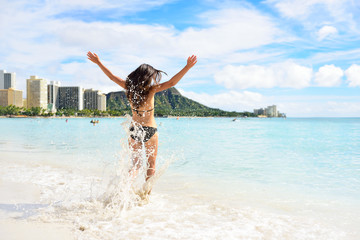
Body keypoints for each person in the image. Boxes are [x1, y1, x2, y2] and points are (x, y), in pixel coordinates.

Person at [87, 51, 197, 182]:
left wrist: (99, 63)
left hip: (134, 130)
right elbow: (172, 82)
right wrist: (187, 67)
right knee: (151, 165)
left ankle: (124, 187)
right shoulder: (152, 90)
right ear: (148, 77)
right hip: (150, 129)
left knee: (136, 165)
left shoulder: (129, 88)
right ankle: (146, 195)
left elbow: (112, 77)